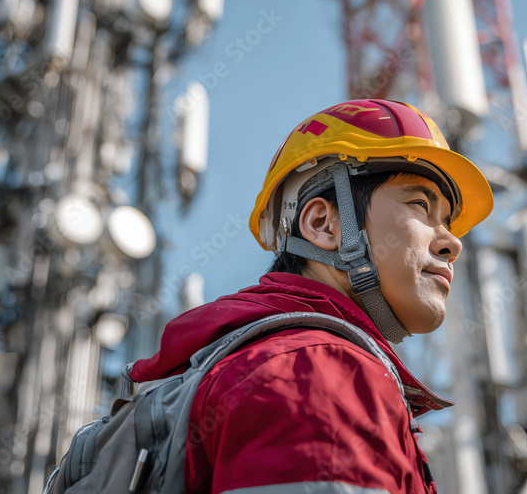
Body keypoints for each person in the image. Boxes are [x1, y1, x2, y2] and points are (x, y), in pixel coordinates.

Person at [127, 99, 494, 493]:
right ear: (322, 224)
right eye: (421, 205)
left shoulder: (265, 363)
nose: (452, 242)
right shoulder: (318, 370)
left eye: (448, 221)